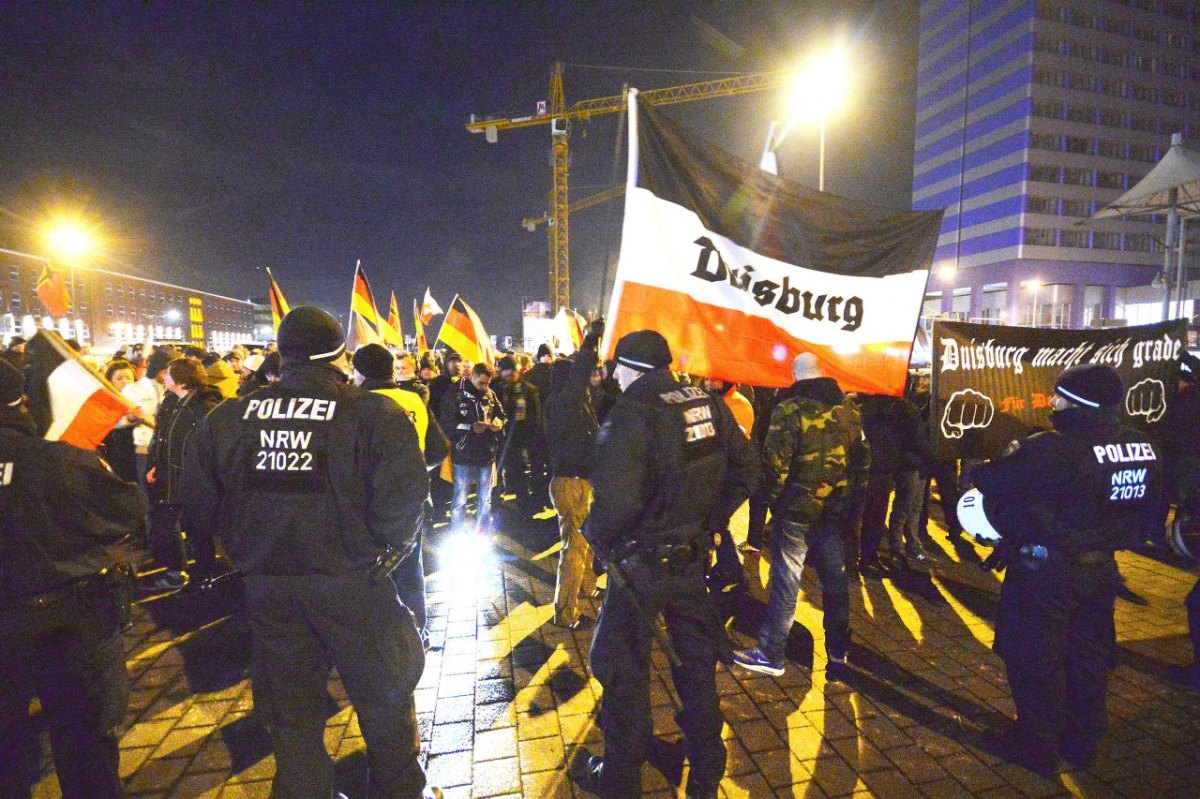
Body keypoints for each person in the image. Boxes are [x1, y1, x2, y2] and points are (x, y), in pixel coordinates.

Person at [181, 306, 439, 799]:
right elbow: (405, 499)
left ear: (282, 353)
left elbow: (196, 505)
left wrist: (240, 552)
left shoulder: (229, 418)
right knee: (384, 696)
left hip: (269, 588)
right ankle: (399, 789)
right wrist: (380, 553)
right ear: (340, 354)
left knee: (290, 708)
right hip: (352, 583)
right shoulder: (373, 413)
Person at [581, 330, 756, 799]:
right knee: (695, 665)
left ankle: (620, 779)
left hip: (640, 566)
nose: (612, 375)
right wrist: (707, 523)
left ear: (634, 367)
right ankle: (706, 769)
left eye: (616, 366)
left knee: (619, 667)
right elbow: (747, 470)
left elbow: (616, 504)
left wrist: (594, 536)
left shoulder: (634, 412)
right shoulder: (707, 401)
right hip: (689, 561)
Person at [971, 363, 1164, 776]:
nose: (1052, 403)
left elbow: (988, 480)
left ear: (1077, 403)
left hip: (1046, 573)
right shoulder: (1144, 447)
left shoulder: (1051, 447)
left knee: (1037, 659)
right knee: (1089, 656)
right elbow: (1150, 518)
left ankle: (1037, 746)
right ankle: (1082, 740)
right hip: (1101, 571)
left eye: (1059, 397)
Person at [0, 357, 146, 799]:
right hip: (73, 617)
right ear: (21, 401)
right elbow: (129, 510)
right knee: (85, 740)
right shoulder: (58, 460)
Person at [733, 352, 870, 680]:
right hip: (833, 513)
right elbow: (862, 462)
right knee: (835, 583)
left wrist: (775, 504)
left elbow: (775, 467)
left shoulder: (789, 410)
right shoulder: (849, 410)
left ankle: (771, 652)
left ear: (796, 376)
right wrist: (852, 506)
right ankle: (838, 652)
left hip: (796, 513)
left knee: (786, 582)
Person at [352, 344, 439, 645]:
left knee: (373, 574)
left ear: (360, 373)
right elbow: (439, 448)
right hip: (412, 501)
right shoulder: (413, 398)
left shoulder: (357, 403)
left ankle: (381, 640)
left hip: (369, 504)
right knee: (411, 570)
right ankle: (417, 634)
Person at [143, 358, 224, 591]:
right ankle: (176, 571)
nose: (164, 377)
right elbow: (163, 438)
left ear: (181, 380)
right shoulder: (171, 402)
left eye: (168, 374)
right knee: (168, 525)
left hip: (195, 480)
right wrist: (155, 464)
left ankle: (204, 573)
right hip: (169, 477)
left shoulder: (205, 406)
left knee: (198, 528)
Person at [543, 322, 603, 629]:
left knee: (583, 541)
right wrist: (590, 342)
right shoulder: (566, 403)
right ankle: (565, 613)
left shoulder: (567, 405)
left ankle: (587, 587)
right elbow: (580, 376)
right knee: (574, 547)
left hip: (579, 480)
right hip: (571, 483)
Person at [440, 362, 506, 535]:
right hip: (464, 454)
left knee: (485, 498)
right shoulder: (455, 393)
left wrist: (499, 422)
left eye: (488, 383)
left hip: (487, 453)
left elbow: (501, 414)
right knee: (460, 497)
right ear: (472, 376)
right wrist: (470, 427)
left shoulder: (490, 394)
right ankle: (457, 532)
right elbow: (447, 424)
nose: (485, 387)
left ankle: (482, 531)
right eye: (481, 383)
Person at [493, 354, 542, 512]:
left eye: (512, 370)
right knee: (496, 470)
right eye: (507, 370)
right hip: (498, 436)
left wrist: (531, 436)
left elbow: (535, 415)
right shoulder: (494, 389)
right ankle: (495, 499)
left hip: (519, 436)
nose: (510, 373)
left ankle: (523, 501)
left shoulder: (528, 389)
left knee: (517, 470)